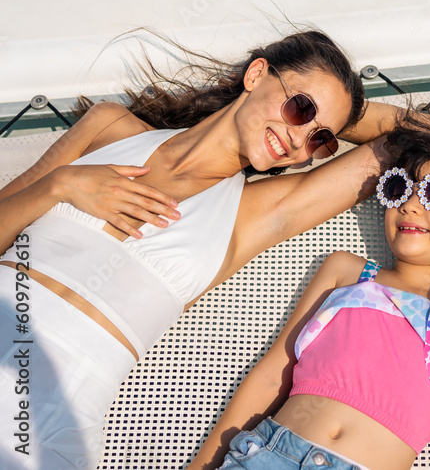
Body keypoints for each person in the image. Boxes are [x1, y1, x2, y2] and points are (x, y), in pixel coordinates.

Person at [0, 30, 409, 470]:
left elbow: (416, 133)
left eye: (319, 138)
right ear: (256, 74)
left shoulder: (251, 215)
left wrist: (338, 105)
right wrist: (59, 185)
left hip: (51, 425)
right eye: (300, 108)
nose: (298, 141)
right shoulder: (107, 129)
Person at [186, 124, 430, 470]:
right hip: (266, 456)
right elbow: (271, 375)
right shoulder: (348, 271)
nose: (410, 205)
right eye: (398, 189)